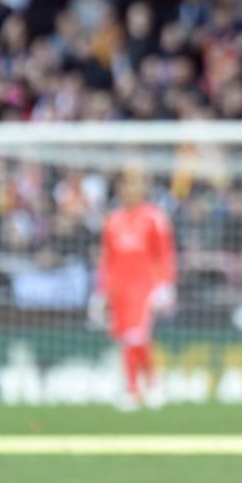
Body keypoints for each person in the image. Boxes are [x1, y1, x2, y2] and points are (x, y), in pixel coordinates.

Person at [93, 165, 177, 411]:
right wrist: (100, 292)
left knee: (136, 336)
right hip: (119, 289)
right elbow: (107, 261)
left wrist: (165, 286)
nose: (129, 189)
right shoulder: (113, 221)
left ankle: (146, 386)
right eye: (124, 185)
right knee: (127, 340)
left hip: (144, 287)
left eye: (134, 184)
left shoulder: (154, 217)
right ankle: (137, 388)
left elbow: (164, 255)